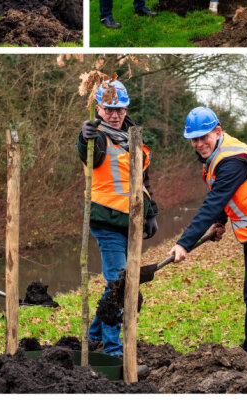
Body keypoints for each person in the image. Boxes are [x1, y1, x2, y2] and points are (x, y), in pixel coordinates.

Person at [168, 106, 247, 362]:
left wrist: (184, 243)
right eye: (194, 139)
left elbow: (214, 201)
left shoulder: (231, 160)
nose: (200, 143)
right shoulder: (218, 154)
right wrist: (220, 222)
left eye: (204, 137)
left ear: (218, 131)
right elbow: (221, 194)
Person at [78, 80, 160, 356]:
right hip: (106, 220)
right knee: (120, 285)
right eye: (109, 109)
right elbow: (88, 154)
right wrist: (84, 136)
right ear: (98, 108)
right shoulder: (97, 136)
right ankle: (113, 351)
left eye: (120, 109)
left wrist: (151, 213)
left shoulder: (134, 135)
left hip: (131, 221)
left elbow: (141, 179)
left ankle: (93, 337)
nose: (115, 114)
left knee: (116, 282)